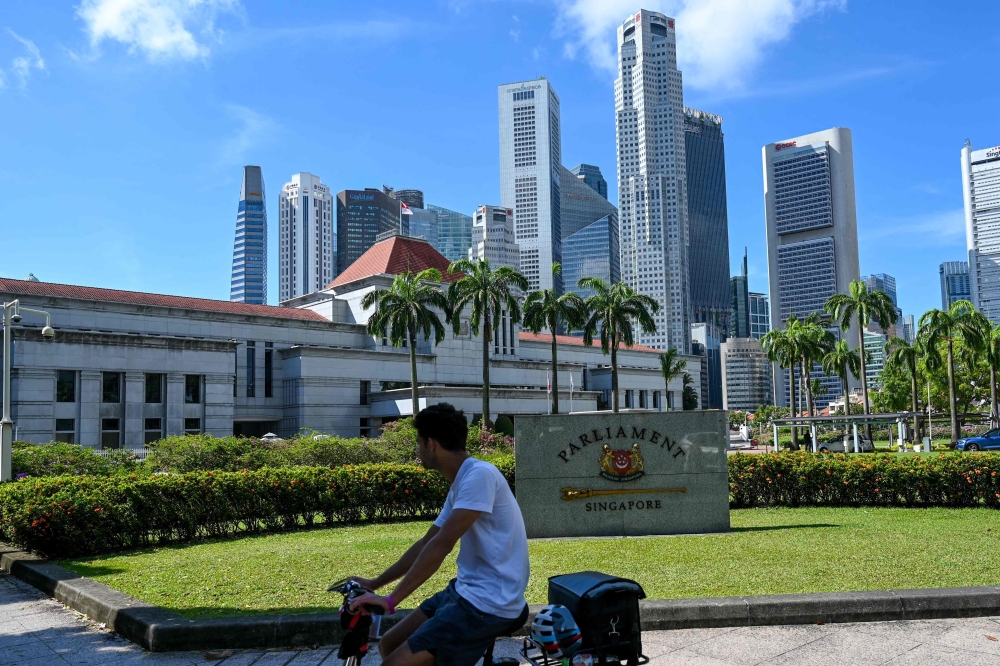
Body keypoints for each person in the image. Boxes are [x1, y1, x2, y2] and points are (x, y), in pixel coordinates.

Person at [347, 403, 530, 666]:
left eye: (419, 443)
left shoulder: (480, 476)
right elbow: (427, 542)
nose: (418, 450)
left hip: (488, 603)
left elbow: (442, 545)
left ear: (431, 444)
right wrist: (375, 583)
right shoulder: (462, 483)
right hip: (465, 591)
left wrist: (390, 601)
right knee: (390, 644)